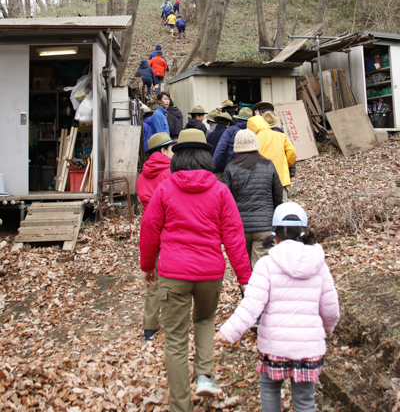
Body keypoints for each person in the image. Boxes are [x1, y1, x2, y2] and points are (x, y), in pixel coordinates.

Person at [140, 129, 252, 412]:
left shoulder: (165, 188)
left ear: (177, 158)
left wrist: (147, 265)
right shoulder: (220, 190)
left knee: (176, 340)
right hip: (210, 273)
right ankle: (204, 374)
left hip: (172, 273)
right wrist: (244, 279)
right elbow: (234, 236)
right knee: (204, 320)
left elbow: (150, 229)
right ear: (205, 156)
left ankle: (180, 406)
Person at [215, 202, 340, 412]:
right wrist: (327, 328)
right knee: (305, 401)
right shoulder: (319, 264)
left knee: (269, 388)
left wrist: (228, 332)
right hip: (308, 349)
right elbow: (330, 307)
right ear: (305, 232)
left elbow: (251, 305)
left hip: (275, 348)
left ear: (275, 236)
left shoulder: (266, 264)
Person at [222, 129, 282, 269]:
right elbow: (277, 197)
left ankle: (246, 291)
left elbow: (225, 201)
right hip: (265, 227)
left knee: (245, 270)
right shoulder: (268, 165)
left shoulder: (230, 168)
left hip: (240, 227)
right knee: (260, 270)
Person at [137, 132, 175, 340]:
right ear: (162, 150)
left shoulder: (141, 177)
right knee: (176, 278)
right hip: (170, 229)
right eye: (171, 149)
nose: (173, 153)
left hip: (150, 230)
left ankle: (150, 326)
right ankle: (173, 322)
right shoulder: (170, 172)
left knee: (153, 279)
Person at [247, 116, 296, 202]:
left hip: (261, 180)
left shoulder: (253, 140)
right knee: (281, 207)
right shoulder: (281, 135)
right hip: (281, 177)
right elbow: (292, 152)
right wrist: (286, 164)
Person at [213, 106, 252, 174]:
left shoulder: (230, 130)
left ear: (238, 119)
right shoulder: (253, 131)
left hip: (232, 168)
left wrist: (212, 166)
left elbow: (220, 148)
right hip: (249, 168)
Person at [263, 111, 297, 180]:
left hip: (264, 174)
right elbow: (292, 152)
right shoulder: (282, 136)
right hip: (281, 173)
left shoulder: (259, 137)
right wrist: (286, 164)